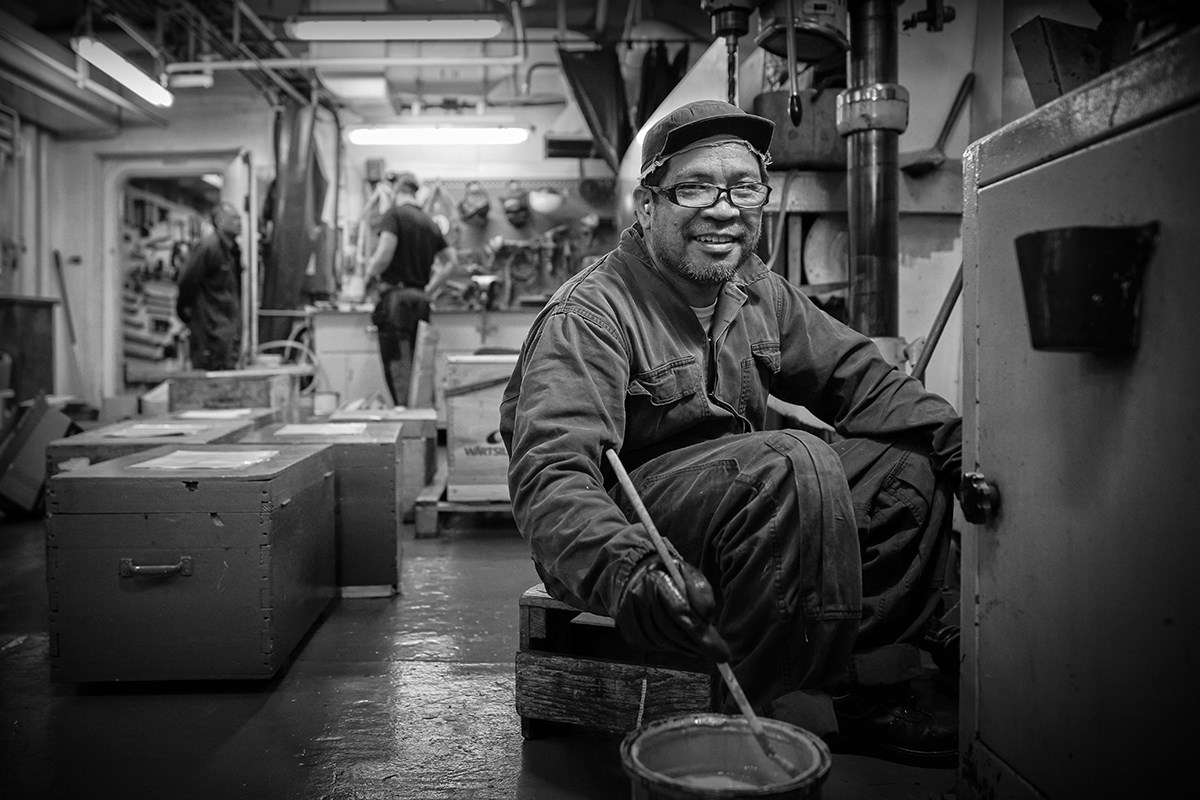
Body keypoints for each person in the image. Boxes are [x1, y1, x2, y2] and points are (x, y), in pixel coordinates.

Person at [499, 100, 963, 764]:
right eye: (694, 187)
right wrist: (625, 569)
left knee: (905, 469)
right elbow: (552, 475)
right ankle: (764, 720)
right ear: (647, 204)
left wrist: (960, 445)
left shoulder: (754, 290)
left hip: (743, 509)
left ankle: (854, 687)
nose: (724, 210)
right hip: (624, 540)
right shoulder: (592, 313)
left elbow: (859, 377)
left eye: (744, 188)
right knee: (792, 462)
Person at [362, 172, 458, 406]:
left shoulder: (394, 215)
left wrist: (368, 273)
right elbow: (452, 263)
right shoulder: (429, 222)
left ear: (396, 191)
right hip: (419, 301)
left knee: (399, 370)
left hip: (396, 302)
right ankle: (420, 429)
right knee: (420, 369)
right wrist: (429, 289)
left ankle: (406, 430)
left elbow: (384, 255)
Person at [176, 200, 243, 370]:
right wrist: (186, 314)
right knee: (208, 382)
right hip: (209, 332)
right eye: (234, 219)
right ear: (219, 221)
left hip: (226, 331)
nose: (239, 223)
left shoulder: (232, 250)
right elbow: (187, 282)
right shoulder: (209, 248)